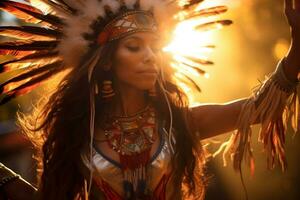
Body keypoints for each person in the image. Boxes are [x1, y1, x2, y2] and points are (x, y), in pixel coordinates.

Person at [0, 0, 299, 199]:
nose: (149, 56)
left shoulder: (177, 123)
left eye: (154, 47)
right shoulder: (77, 133)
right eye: (134, 46)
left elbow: (255, 110)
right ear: (106, 61)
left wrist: (296, 49)